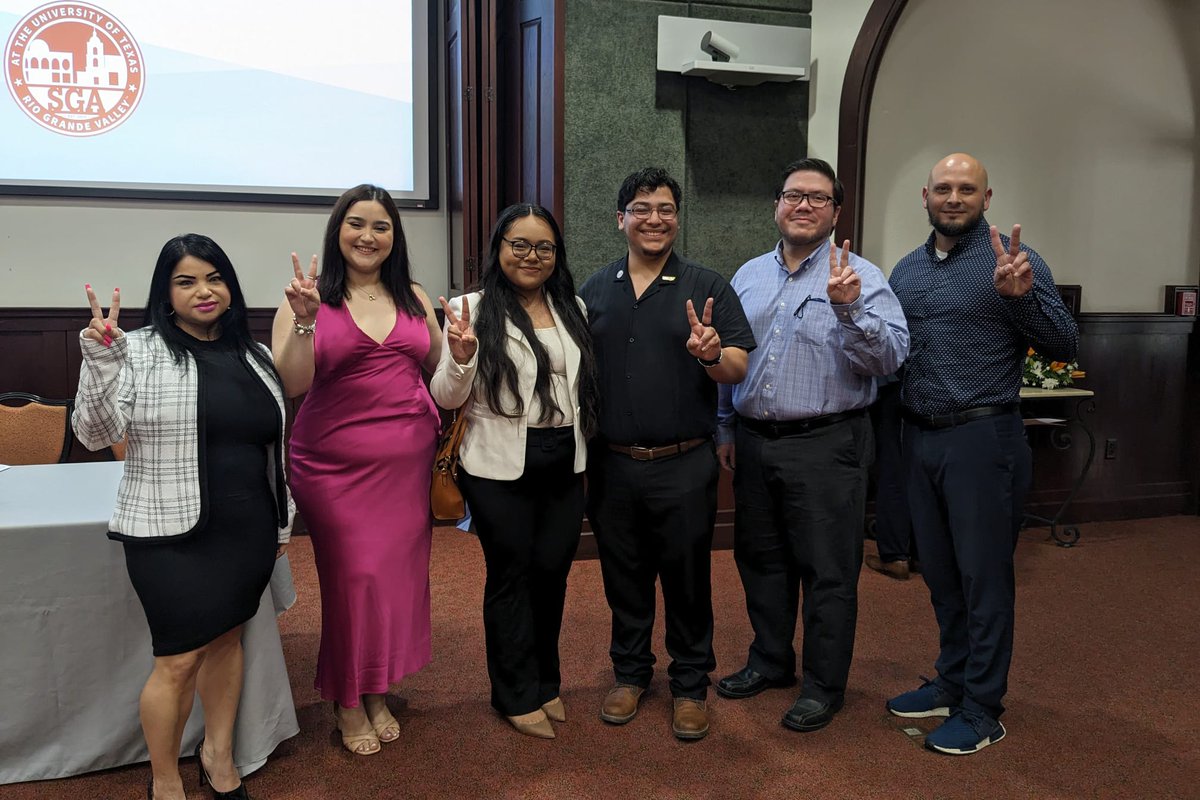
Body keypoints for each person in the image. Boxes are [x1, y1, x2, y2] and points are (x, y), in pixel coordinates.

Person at [72, 234, 293, 800]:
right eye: (186, 280)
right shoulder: (136, 349)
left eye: (214, 277)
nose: (203, 290)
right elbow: (96, 434)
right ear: (165, 293)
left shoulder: (256, 355)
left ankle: (218, 754)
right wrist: (100, 362)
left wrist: (281, 522)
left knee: (227, 643)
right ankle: (164, 778)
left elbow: (275, 449)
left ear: (230, 287)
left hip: (247, 530)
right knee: (177, 660)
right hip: (165, 532)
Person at [887, 153, 1078, 755]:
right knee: (941, 573)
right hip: (919, 437)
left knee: (984, 578)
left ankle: (983, 707)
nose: (954, 197)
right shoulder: (907, 269)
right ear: (925, 196)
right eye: (943, 187)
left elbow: (1064, 343)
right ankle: (953, 678)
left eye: (967, 189)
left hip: (983, 438)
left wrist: (1020, 299)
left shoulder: (1013, 261)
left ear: (986, 199)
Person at [714, 158, 910, 732]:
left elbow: (890, 359)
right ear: (776, 205)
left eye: (818, 198)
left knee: (828, 572)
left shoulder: (863, 277)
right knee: (761, 561)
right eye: (794, 195)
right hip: (754, 442)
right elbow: (730, 357)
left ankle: (824, 685)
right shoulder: (747, 276)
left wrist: (849, 310)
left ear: (835, 211)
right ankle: (771, 661)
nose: (804, 205)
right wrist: (725, 426)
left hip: (829, 444)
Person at [579, 167, 756, 741]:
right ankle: (630, 675)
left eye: (665, 209)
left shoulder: (706, 285)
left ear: (677, 218)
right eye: (641, 208)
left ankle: (688, 685)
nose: (655, 218)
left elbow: (737, 366)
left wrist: (710, 354)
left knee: (686, 578)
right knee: (622, 577)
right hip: (611, 463)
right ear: (621, 219)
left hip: (684, 462)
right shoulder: (593, 290)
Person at [271, 184, 442, 756]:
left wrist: (463, 356)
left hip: (406, 466)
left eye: (381, 226)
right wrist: (303, 322)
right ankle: (347, 698)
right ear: (337, 230)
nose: (368, 236)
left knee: (391, 580)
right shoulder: (307, 298)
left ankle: (376, 687)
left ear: (395, 236)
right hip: (332, 467)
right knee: (353, 580)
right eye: (356, 223)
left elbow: (441, 375)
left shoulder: (414, 295)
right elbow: (292, 383)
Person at [429, 203, 599, 739]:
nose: (531, 256)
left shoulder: (573, 306)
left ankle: (546, 683)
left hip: (563, 460)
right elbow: (445, 396)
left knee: (552, 573)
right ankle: (513, 693)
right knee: (512, 576)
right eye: (519, 245)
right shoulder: (470, 309)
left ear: (557, 255)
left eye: (543, 247)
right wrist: (460, 356)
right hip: (499, 464)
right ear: (498, 249)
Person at [864, 371, 919, 580]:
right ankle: (919, 552)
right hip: (916, 382)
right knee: (913, 466)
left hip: (889, 381)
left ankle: (895, 555)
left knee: (890, 465)